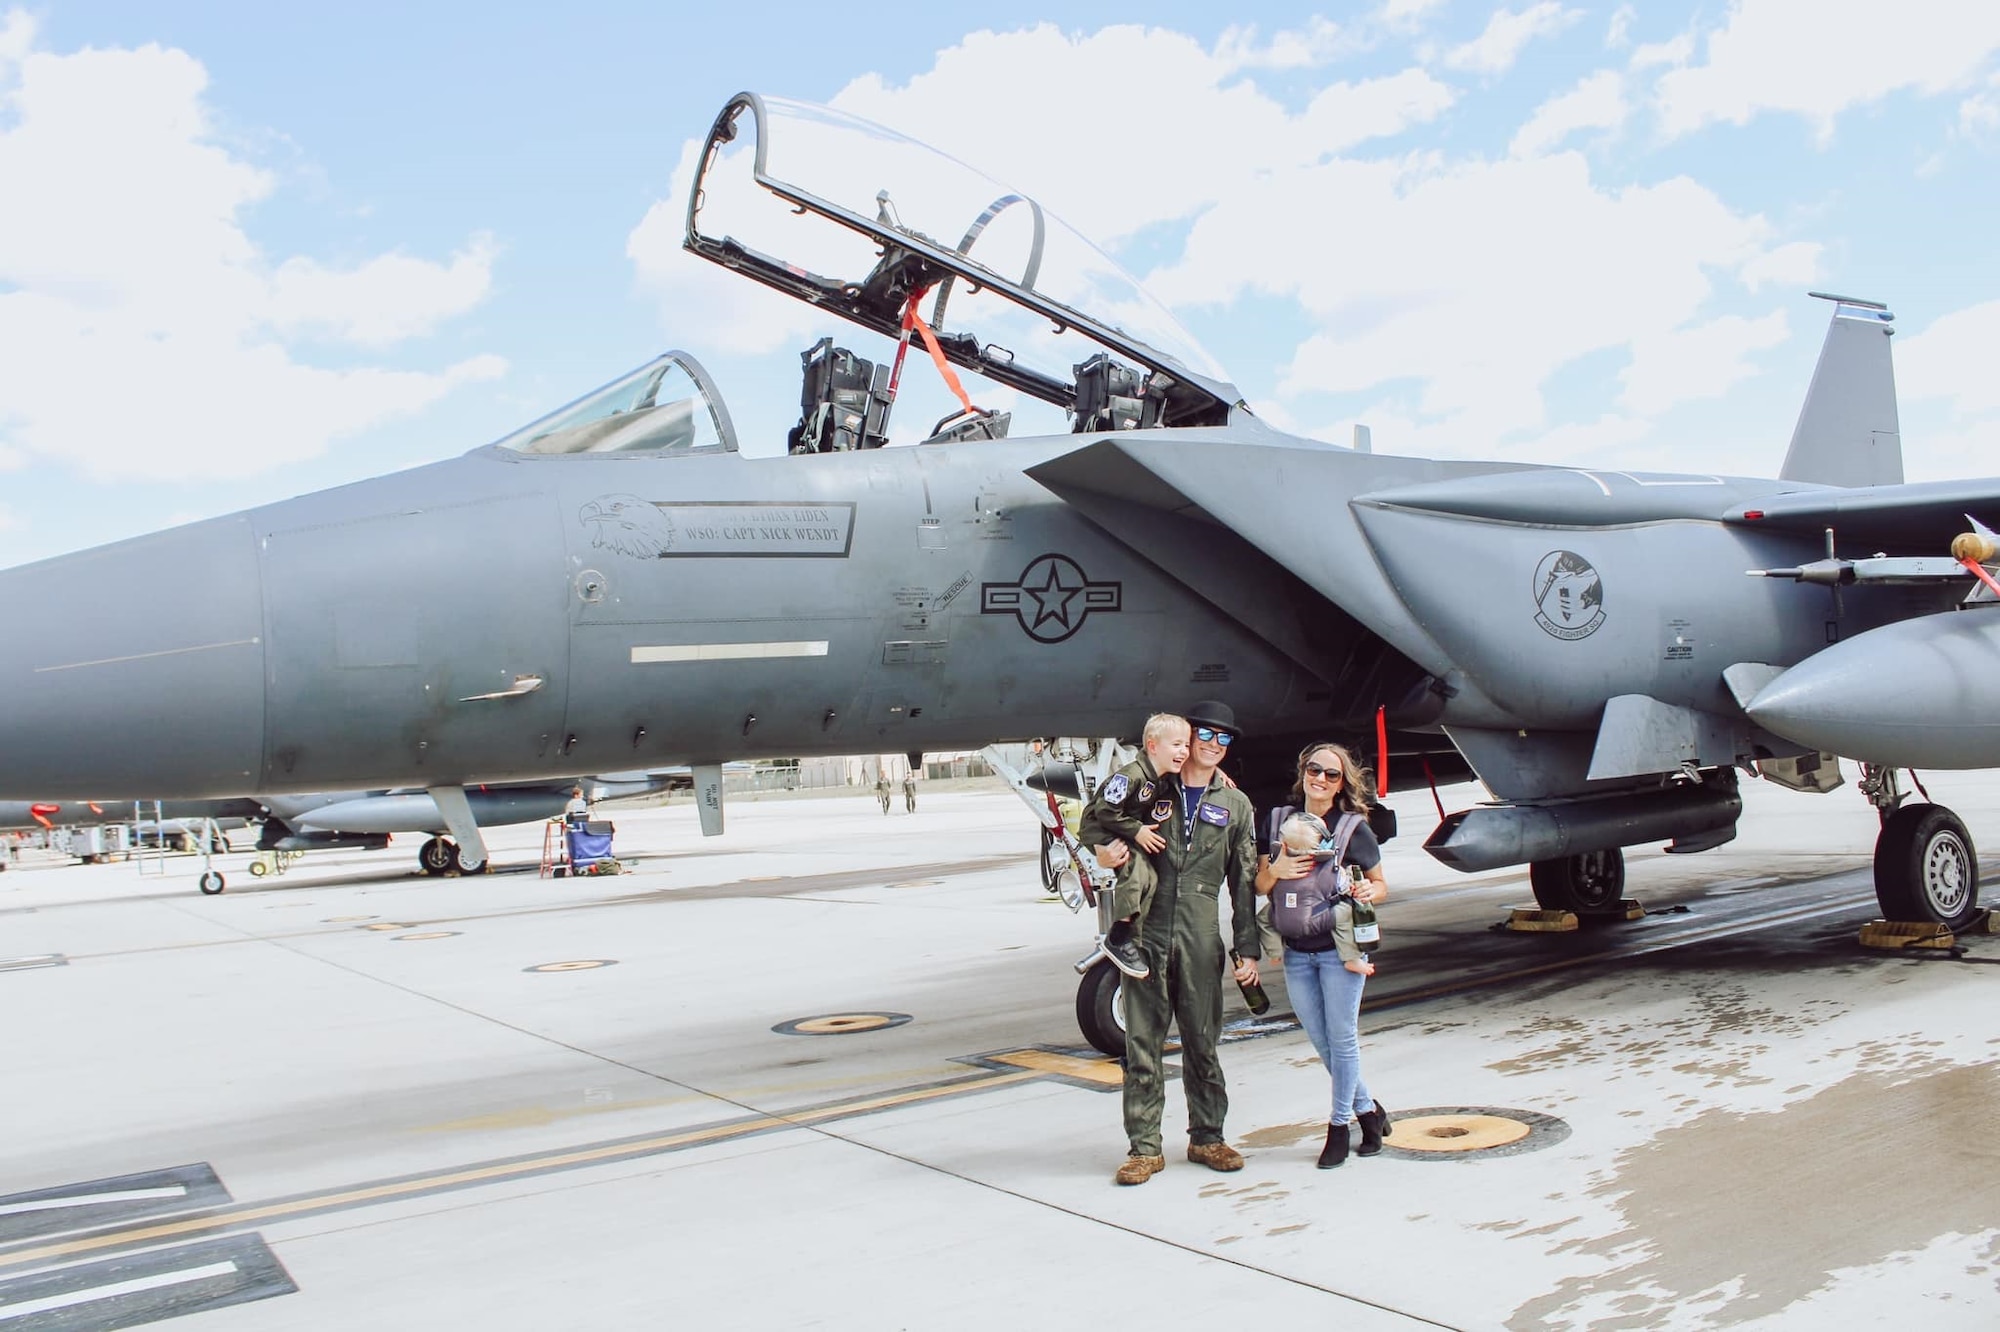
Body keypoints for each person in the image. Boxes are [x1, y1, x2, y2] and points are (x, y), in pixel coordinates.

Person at [1098, 701, 1261, 1186]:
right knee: (1142, 1043)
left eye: (1223, 739)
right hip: (1148, 932)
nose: (1213, 745)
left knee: (1203, 1042)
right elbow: (1101, 817)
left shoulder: (1236, 805)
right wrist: (1103, 853)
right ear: (1187, 741)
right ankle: (1144, 1148)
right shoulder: (1151, 788)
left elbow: (1245, 882)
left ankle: (1207, 1136)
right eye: (1205, 736)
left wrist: (1246, 948)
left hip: (1200, 932)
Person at [1255, 742, 1390, 1169]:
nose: (1321, 779)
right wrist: (1274, 870)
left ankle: (1338, 1126)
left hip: (1339, 950)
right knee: (1321, 1039)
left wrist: (1371, 891)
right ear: (1304, 771)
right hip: (1296, 951)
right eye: (1315, 769)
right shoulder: (1278, 821)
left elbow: (1380, 883)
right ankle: (1368, 1112)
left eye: (1332, 775)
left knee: (1342, 1038)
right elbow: (1260, 885)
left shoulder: (1353, 828)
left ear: (1341, 784)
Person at [1078, 714, 1191, 980]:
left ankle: (1132, 935)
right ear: (1152, 746)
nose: (1184, 751)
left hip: (1119, 828)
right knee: (1137, 872)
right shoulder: (1132, 776)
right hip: (1100, 828)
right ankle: (1118, 937)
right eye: (1176, 745)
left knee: (1150, 878)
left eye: (1186, 745)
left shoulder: (1158, 778)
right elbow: (1105, 811)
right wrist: (1136, 831)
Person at [1273, 812, 1372, 977]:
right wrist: (1351, 880)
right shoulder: (1328, 869)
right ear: (1322, 844)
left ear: (1284, 844)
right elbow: (1344, 888)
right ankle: (1350, 957)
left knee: (1263, 918)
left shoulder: (1278, 867)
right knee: (1346, 913)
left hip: (1283, 922)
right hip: (1313, 921)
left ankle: (1274, 951)